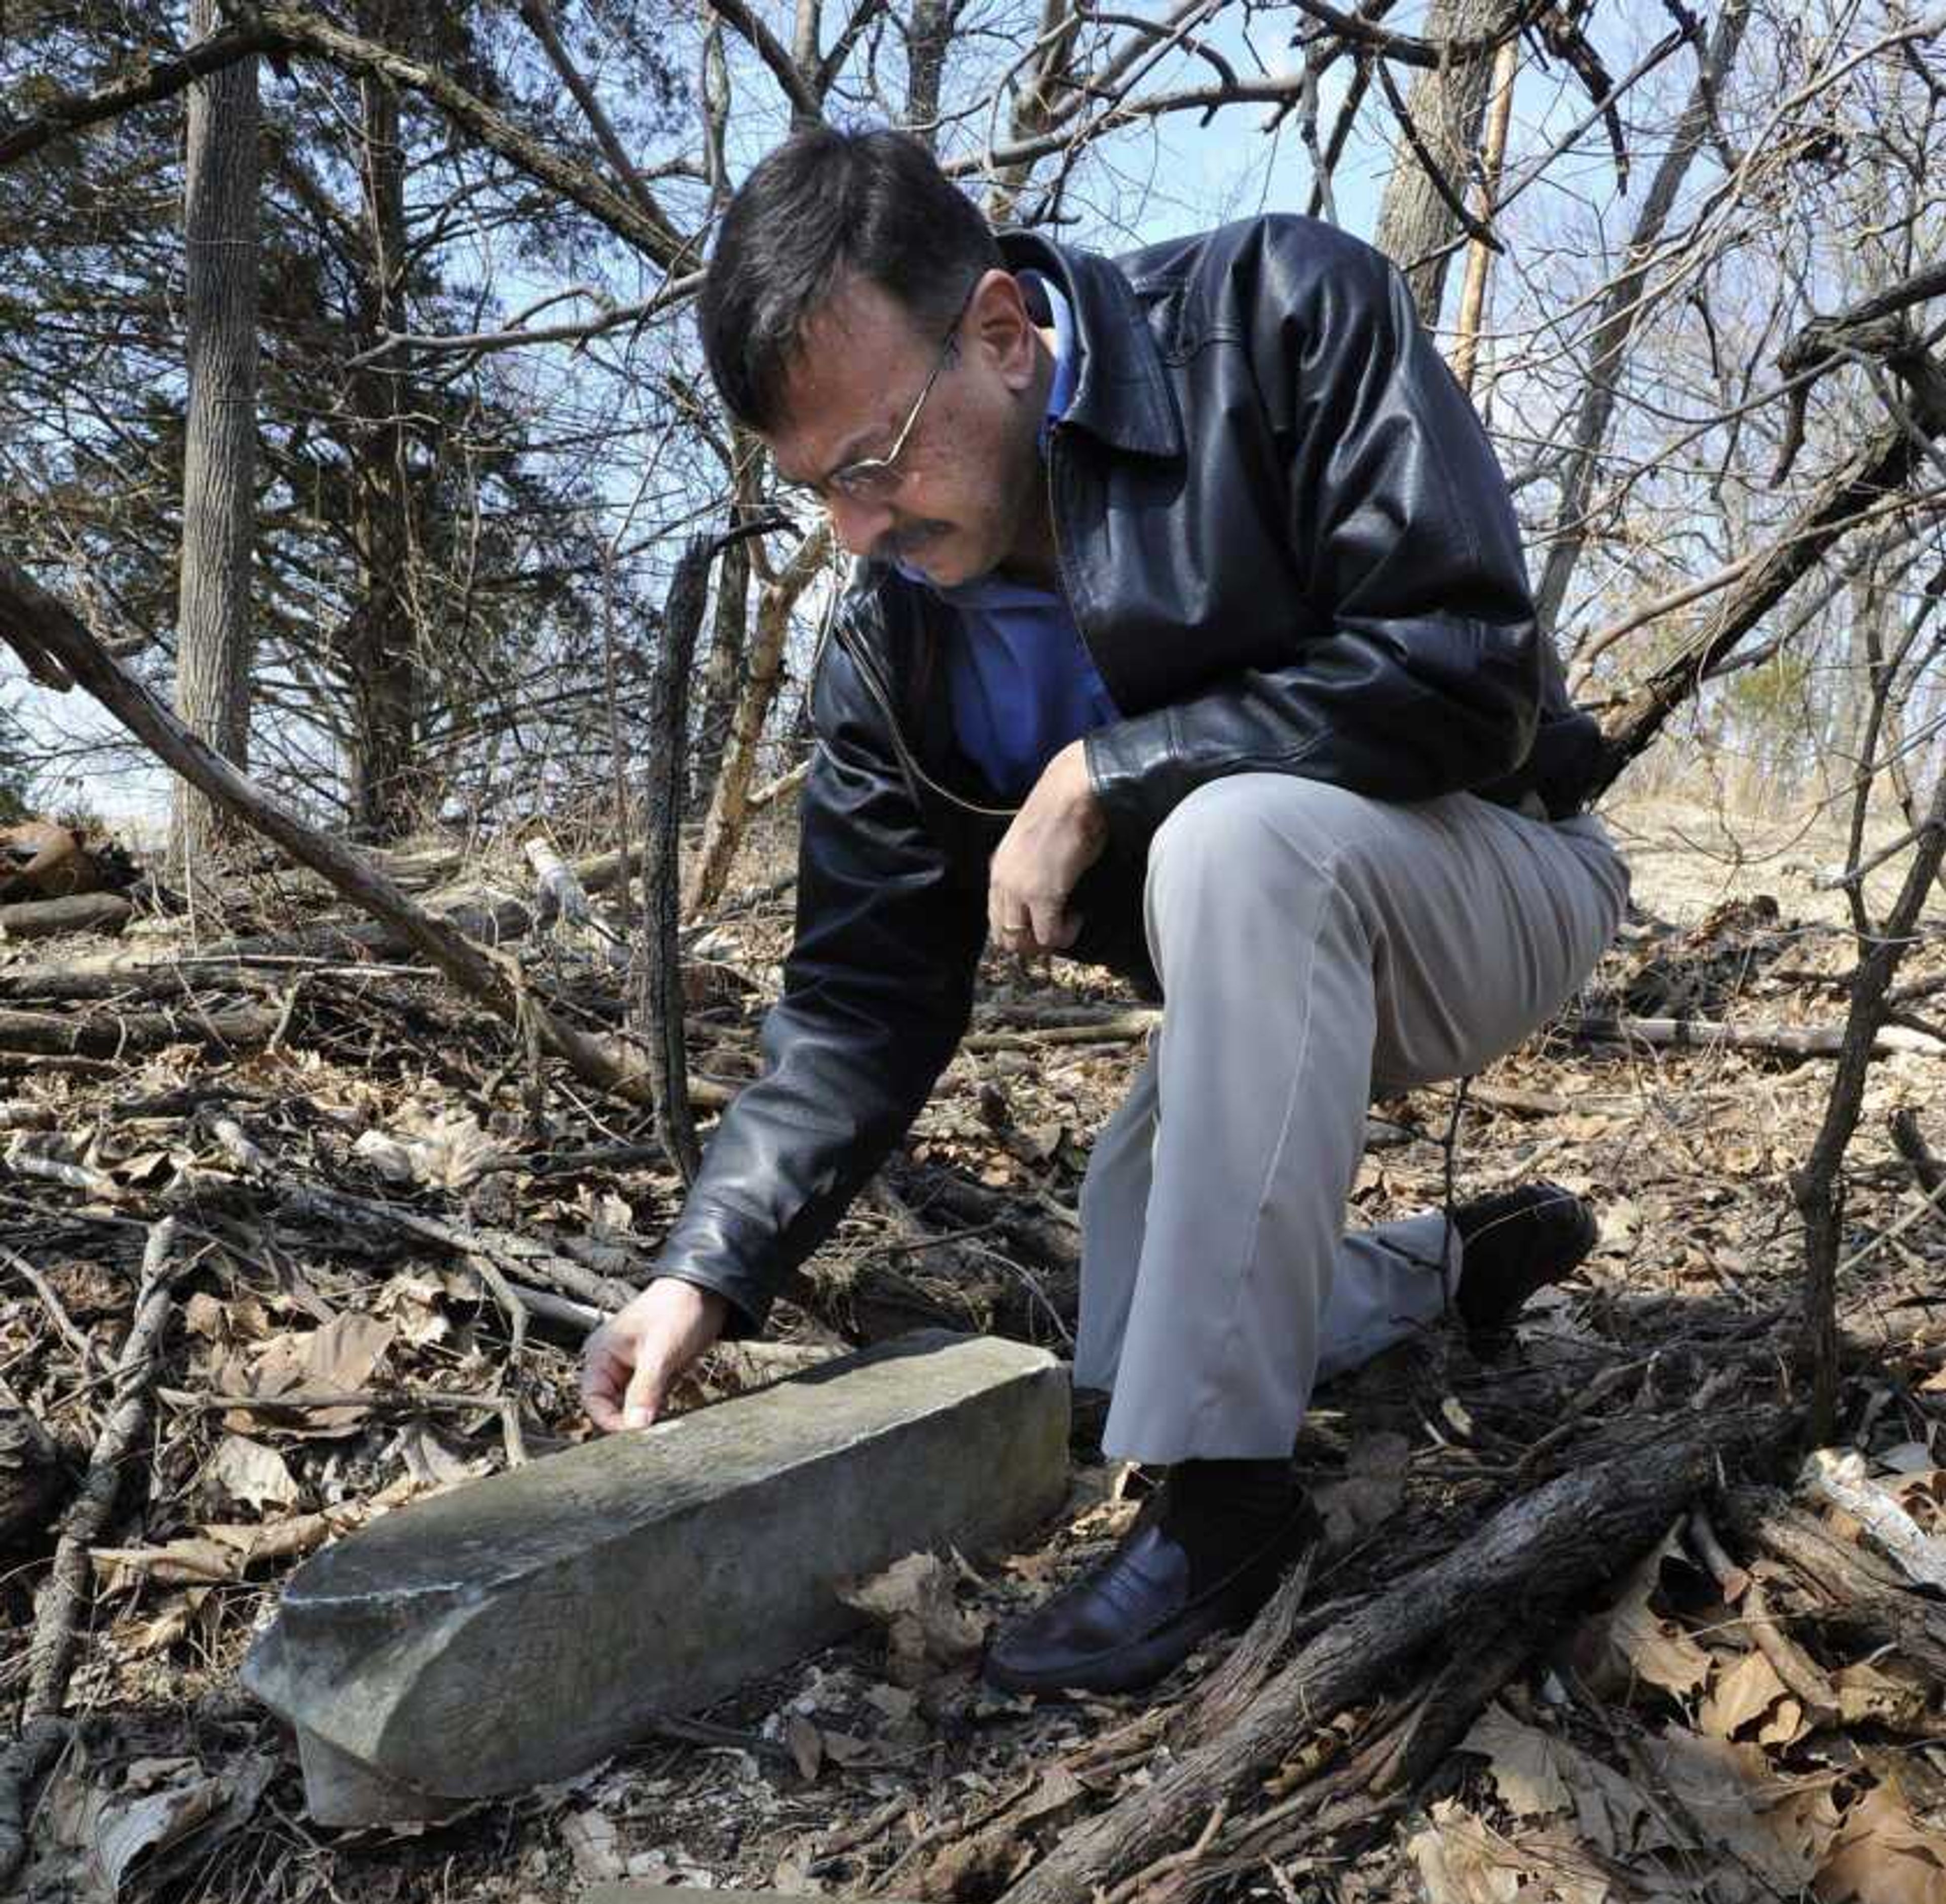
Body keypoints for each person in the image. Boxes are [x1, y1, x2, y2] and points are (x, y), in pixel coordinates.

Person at [580, 128, 1631, 1698]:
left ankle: (1227, 1516)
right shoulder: (889, 654)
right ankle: (1446, 1267)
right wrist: (705, 1272)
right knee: (1131, 1349)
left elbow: (1466, 666)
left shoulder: (1275, 314)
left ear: (1002, 332)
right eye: (819, 494)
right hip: (1264, 986)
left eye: (874, 462)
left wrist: (1103, 773)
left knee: (1231, 837)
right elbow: (865, 1000)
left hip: (1497, 869)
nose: (860, 532)